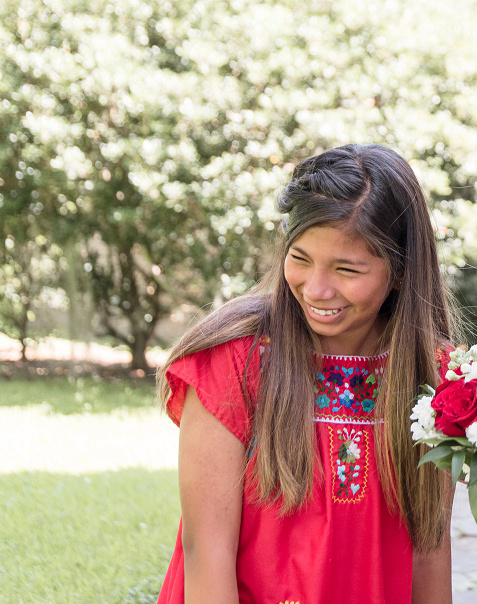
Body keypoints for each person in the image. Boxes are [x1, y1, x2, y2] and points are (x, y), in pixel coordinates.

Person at [155, 144, 456, 603]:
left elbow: (430, 547)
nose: (316, 289)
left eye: (346, 269)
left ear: (399, 270)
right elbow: (207, 551)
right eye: (300, 258)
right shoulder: (234, 361)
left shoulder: (436, 377)